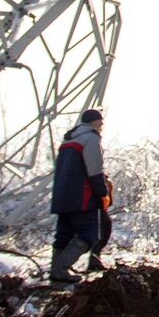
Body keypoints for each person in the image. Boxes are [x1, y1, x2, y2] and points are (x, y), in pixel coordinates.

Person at [49, 109, 111, 284]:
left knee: (64, 234)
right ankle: (60, 268)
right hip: (82, 198)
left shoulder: (68, 139)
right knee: (88, 235)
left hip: (62, 195)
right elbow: (94, 170)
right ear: (94, 122)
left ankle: (56, 271)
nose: (102, 125)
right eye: (101, 122)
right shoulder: (91, 139)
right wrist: (102, 193)